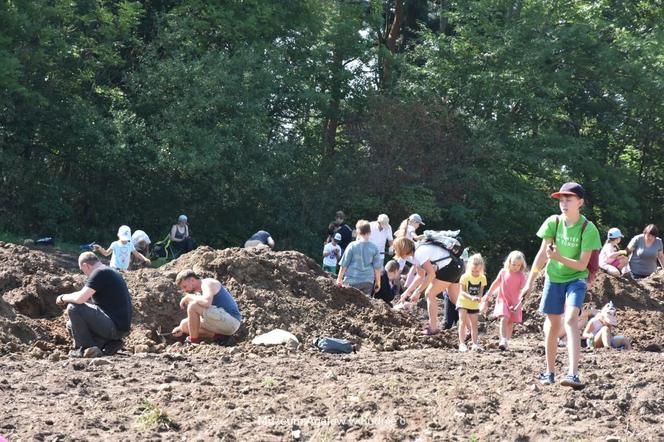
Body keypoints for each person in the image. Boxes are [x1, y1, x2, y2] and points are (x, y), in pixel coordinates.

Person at [519, 182, 601, 389]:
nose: (564, 203)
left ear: (580, 202)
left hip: (576, 278)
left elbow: (582, 264)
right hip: (553, 278)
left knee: (572, 319)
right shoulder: (553, 223)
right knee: (553, 326)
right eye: (561, 200)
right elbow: (541, 255)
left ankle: (573, 374)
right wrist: (529, 282)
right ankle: (549, 372)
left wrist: (557, 256)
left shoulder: (588, 228)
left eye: (569, 199)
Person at [56, 252, 132, 358]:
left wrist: (62, 298)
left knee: (74, 308)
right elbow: (82, 295)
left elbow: (79, 299)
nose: (85, 274)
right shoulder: (109, 271)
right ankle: (108, 344)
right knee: (71, 325)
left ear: (85, 266)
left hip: (113, 327)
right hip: (117, 327)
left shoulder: (99, 273)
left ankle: (85, 349)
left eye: (83, 271)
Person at [395, 236, 465, 335]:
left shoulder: (419, 253)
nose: (396, 252)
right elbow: (420, 276)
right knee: (455, 300)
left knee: (429, 294)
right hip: (456, 266)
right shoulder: (416, 252)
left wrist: (418, 292)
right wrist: (407, 292)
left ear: (403, 249)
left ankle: (433, 328)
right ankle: (470, 327)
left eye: (397, 250)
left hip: (450, 268)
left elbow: (431, 274)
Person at [172, 270, 242, 345]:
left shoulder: (207, 283)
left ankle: (193, 341)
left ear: (192, 280)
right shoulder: (198, 293)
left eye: (185, 286)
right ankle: (220, 337)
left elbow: (207, 302)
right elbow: (203, 314)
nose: (185, 290)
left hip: (231, 321)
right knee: (184, 325)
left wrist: (189, 297)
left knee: (193, 306)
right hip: (220, 321)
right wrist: (181, 329)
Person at [481, 251, 527, 351]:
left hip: (514, 302)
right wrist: (488, 294)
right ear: (509, 262)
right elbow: (496, 283)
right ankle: (503, 339)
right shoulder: (503, 272)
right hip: (503, 300)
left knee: (510, 323)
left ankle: (506, 341)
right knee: (504, 318)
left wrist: (523, 298)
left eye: (518, 265)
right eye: (513, 264)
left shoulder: (521, 276)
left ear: (521, 265)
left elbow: (524, 289)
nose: (515, 267)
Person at [337, 220, 382, 296]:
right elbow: (377, 268)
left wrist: (339, 278)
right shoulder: (374, 248)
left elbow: (344, 264)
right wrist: (378, 282)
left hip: (351, 281)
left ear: (358, 232)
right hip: (367, 281)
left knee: (349, 303)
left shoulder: (352, 246)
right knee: (364, 305)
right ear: (370, 232)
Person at [457, 254, 487, 352]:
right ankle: (462, 344)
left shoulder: (482, 278)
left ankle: (475, 344)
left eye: (477, 271)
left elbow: (481, 292)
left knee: (474, 324)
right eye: (473, 271)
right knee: (462, 322)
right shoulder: (464, 277)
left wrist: (479, 298)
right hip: (463, 302)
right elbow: (462, 291)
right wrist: (471, 297)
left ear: (481, 268)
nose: (475, 273)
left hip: (474, 305)